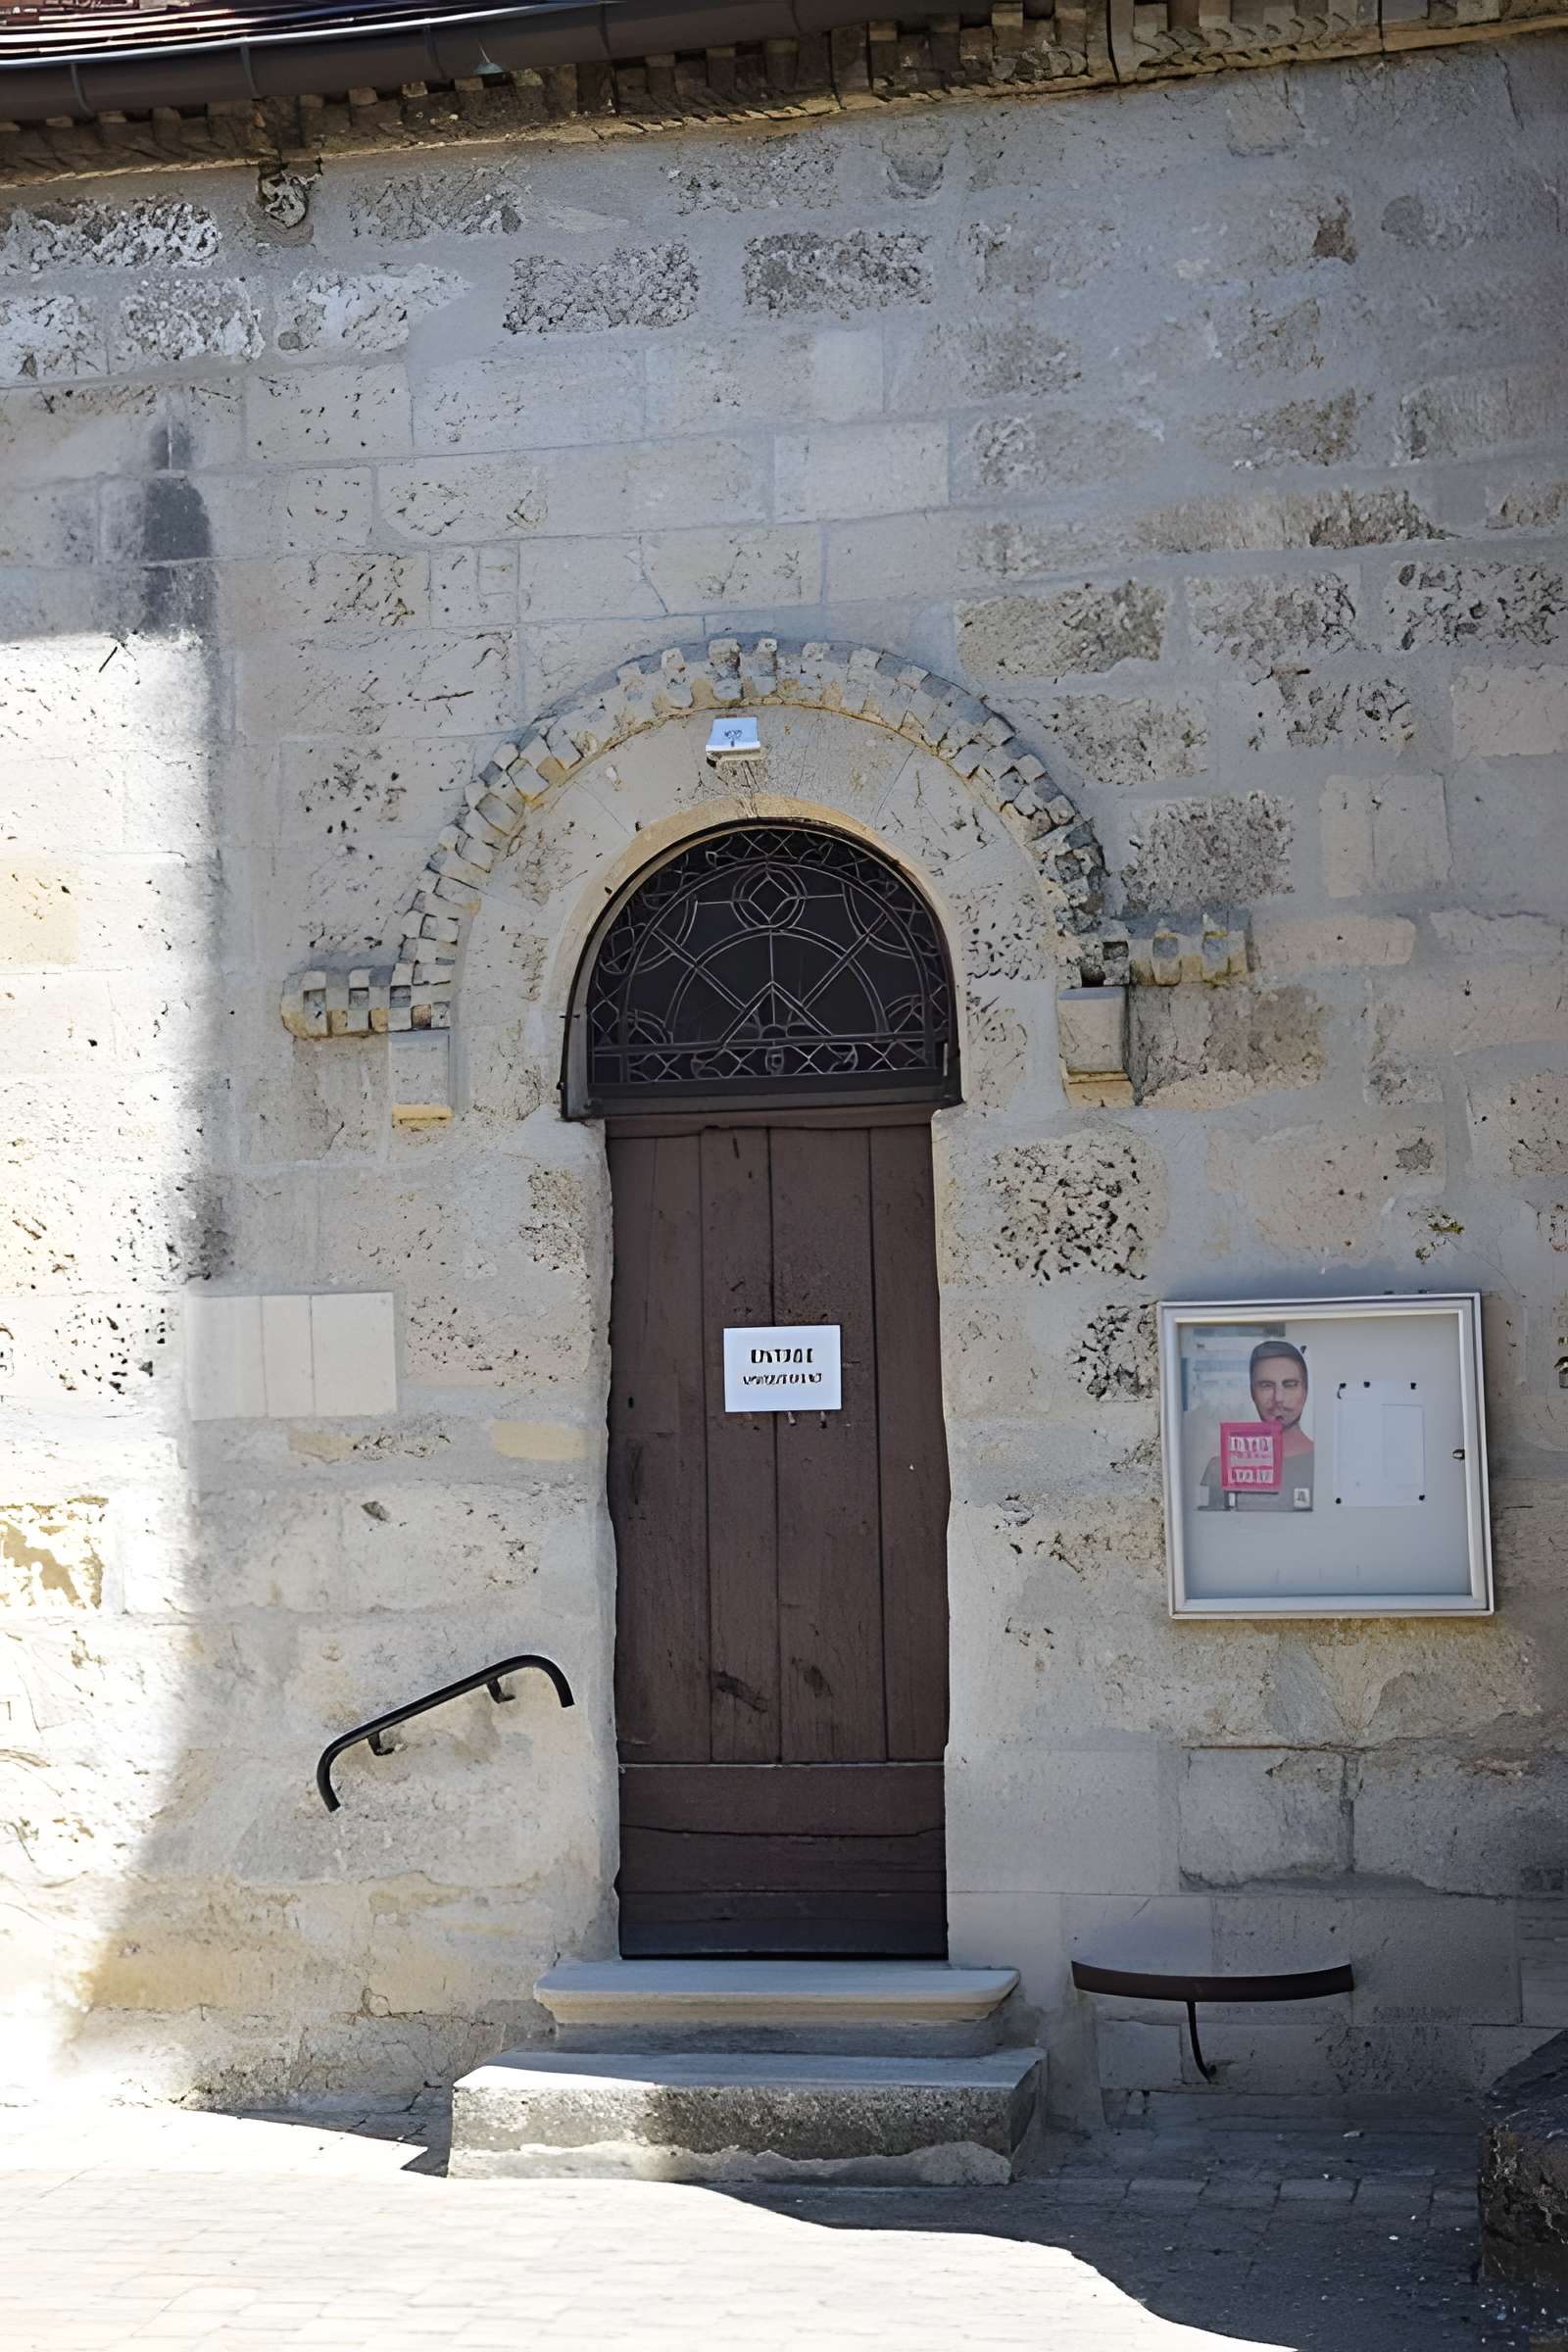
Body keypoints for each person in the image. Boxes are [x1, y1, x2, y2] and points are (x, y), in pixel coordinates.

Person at [1198, 1339, 1314, 1512]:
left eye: (1289, 1385)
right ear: (1253, 1392)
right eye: (1266, 1386)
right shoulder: (1219, 1469)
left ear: (1305, 1391)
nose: (1278, 1398)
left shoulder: (1323, 1464)